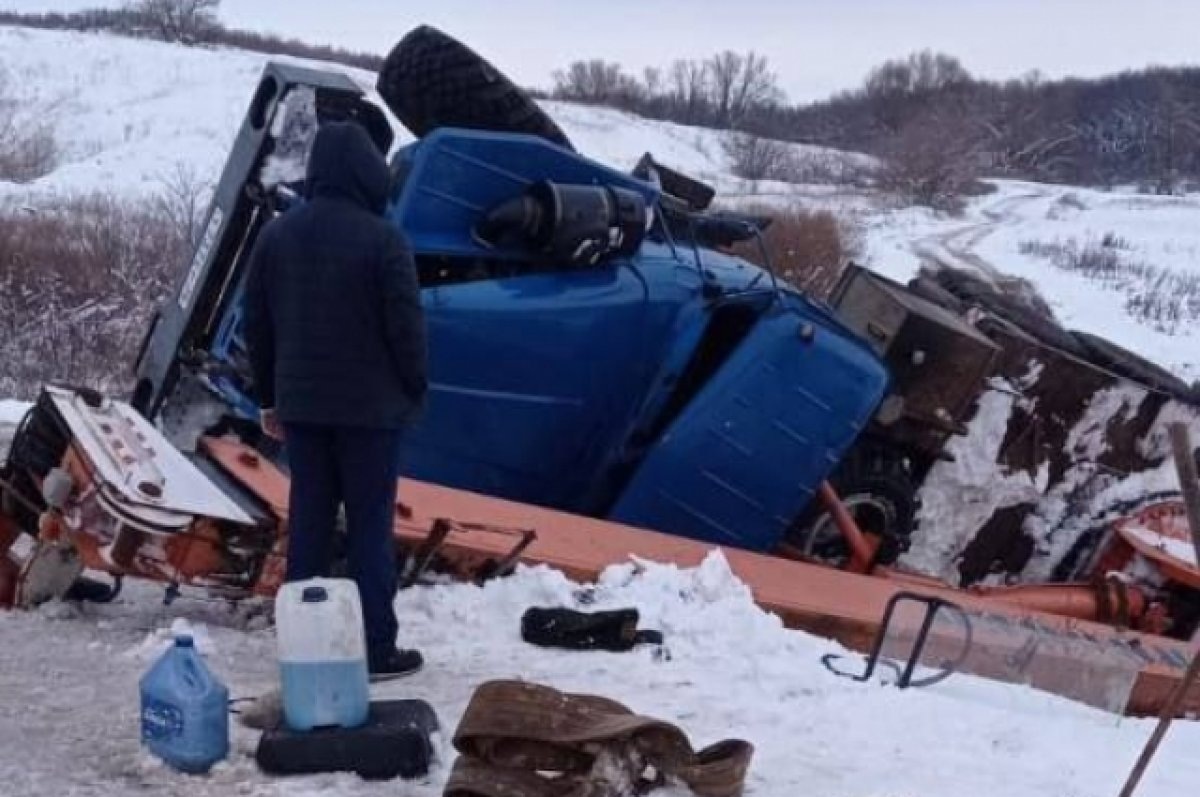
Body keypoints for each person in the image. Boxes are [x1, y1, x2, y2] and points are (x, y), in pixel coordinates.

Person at [243, 120, 428, 679]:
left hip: (303, 410)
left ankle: (307, 646)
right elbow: (407, 328)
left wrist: (271, 397)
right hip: (372, 414)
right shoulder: (384, 239)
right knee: (370, 527)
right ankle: (376, 649)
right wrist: (414, 387)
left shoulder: (278, 235)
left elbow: (259, 326)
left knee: (309, 525)